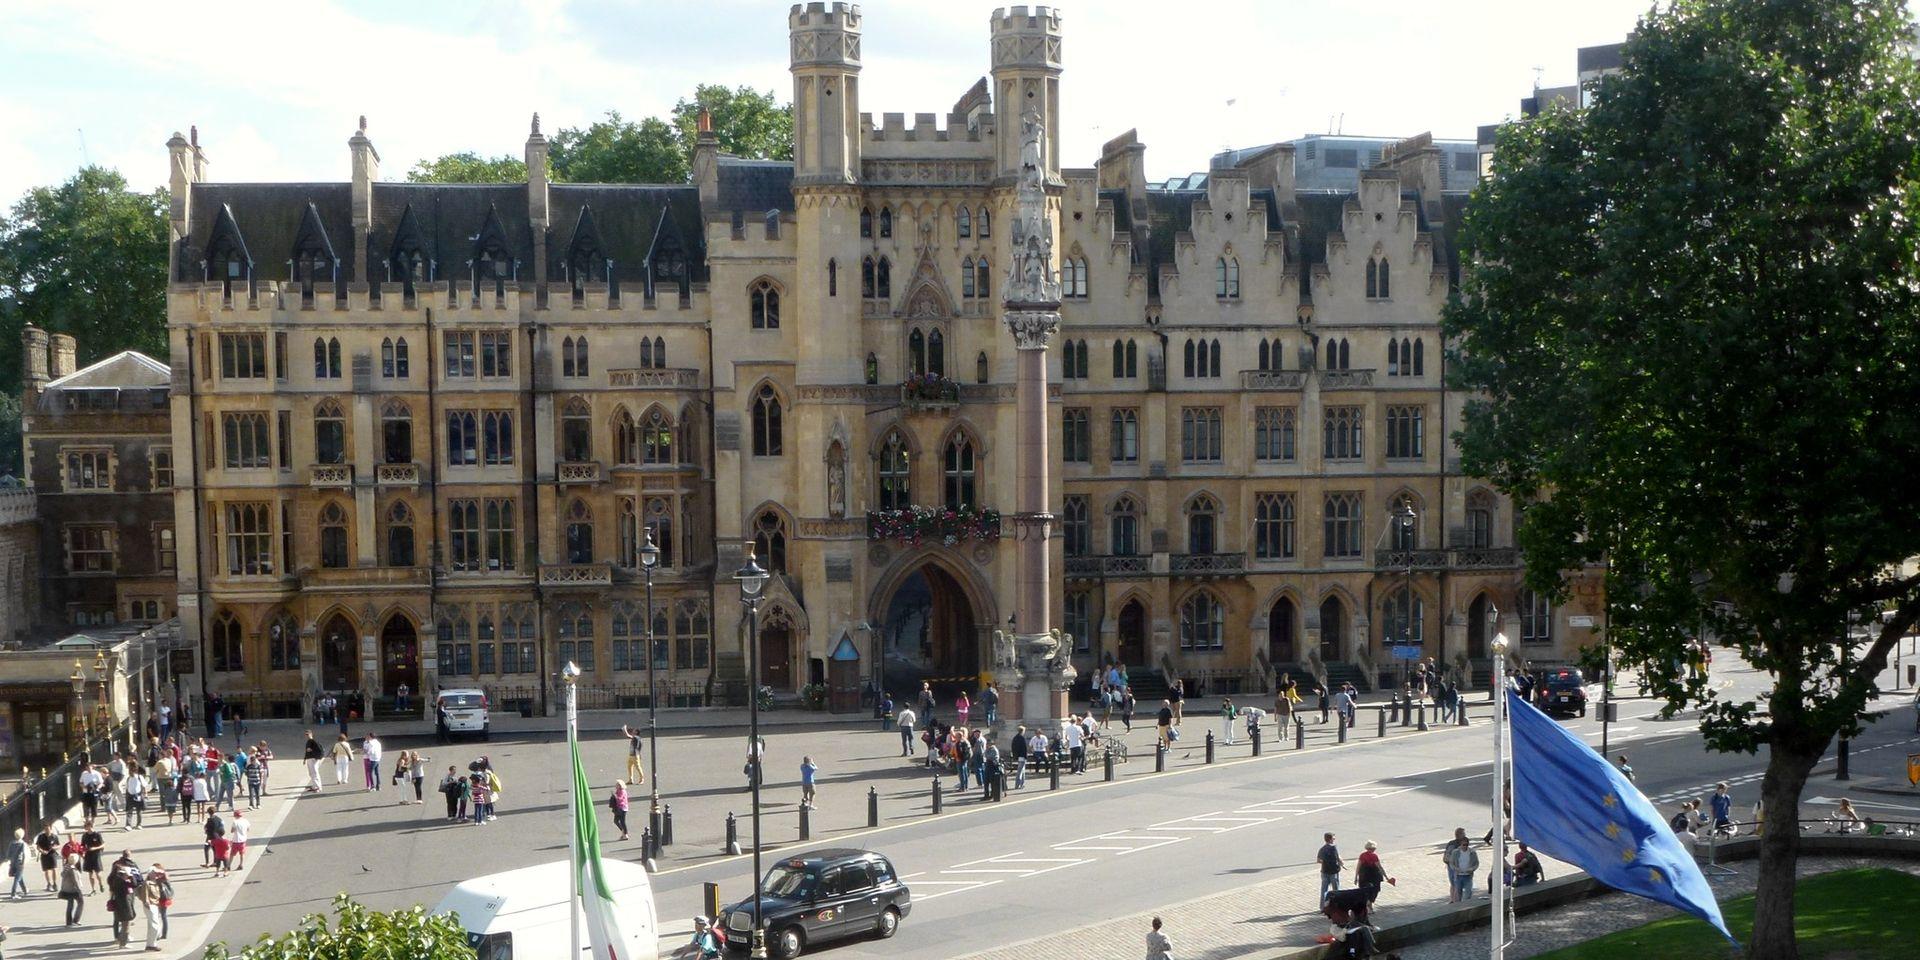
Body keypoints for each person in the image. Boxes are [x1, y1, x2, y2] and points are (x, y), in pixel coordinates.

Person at [107, 852, 139, 947]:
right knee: (126, 925)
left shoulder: (116, 880)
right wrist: (130, 876)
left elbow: (134, 884)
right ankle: (123, 943)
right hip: (124, 905)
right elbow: (134, 884)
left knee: (121, 923)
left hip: (120, 904)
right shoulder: (121, 882)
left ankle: (120, 939)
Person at [1446, 827, 1480, 902]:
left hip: (1468, 874)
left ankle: (1457, 901)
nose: (1465, 846)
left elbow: (1476, 863)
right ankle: (1454, 900)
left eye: (1466, 844)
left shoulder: (1471, 851)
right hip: (1455, 870)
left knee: (1467, 891)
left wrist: (1472, 869)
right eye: (1463, 833)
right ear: (1458, 835)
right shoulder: (1453, 845)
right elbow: (1448, 857)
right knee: (1454, 885)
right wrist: (1455, 866)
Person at [146, 861, 173, 943]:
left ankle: (158, 934)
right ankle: (164, 933)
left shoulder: (156, 879)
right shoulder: (164, 877)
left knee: (157, 917)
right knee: (163, 916)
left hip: (159, 899)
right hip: (166, 899)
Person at [57, 853, 84, 926]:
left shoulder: (66, 867)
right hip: (74, 890)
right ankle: (76, 919)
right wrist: (79, 890)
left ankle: (68, 922)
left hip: (66, 889)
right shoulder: (73, 870)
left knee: (70, 905)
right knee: (81, 903)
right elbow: (76, 881)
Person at [123, 764, 151, 831]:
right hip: (130, 795)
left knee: (139, 811)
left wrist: (145, 794)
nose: (130, 772)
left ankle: (139, 824)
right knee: (129, 811)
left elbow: (144, 785)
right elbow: (127, 787)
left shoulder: (139, 777)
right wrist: (126, 795)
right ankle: (128, 825)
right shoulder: (128, 778)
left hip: (138, 795)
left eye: (132, 770)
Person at [1317, 832, 1343, 904]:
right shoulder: (1333, 847)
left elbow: (1318, 860)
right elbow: (1337, 858)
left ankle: (1322, 907)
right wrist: (1341, 862)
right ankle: (1337, 905)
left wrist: (1325, 862)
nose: (1334, 839)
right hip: (1333, 872)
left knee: (1324, 890)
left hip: (1324, 871)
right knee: (1336, 890)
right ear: (1330, 839)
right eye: (1333, 838)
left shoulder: (1322, 849)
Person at [80, 819, 105, 892]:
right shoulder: (84, 835)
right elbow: (82, 845)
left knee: (98, 873)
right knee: (90, 874)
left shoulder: (97, 834)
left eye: (86, 826)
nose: (85, 827)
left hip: (96, 855)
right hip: (88, 855)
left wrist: (95, 848)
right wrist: (82, 851)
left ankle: (101, 884)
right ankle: (93, 889)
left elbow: (103, 844)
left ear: (90, 826)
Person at [34, 823, 59, 892]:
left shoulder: (54, 836)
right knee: (47, 870)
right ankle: (49, 884)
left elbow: (58, 845)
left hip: (52, 854)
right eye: (45, 829)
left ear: (51, 829)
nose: (46, 830)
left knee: (54, 869)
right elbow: (38, 846)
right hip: (44, 855)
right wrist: (42, 851)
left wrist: (55, 847)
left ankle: (55, 883)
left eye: (48, 829)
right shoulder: (41, 837)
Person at [5, 828, 25, 899]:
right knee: (17, 878)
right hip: (19, 862)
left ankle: (24, 889)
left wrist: (9, 860)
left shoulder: (12, 843)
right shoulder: (22, 843)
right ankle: (13, 893)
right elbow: (23, 854)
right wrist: (23, 862)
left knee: (20, 876)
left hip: (13, 862)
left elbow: (8, 853)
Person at [1010, 725, 1030, 790]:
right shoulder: (1022, 738)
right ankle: (1018, 784)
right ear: (1023, 731)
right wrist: (1026, 756)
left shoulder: (1015, 738)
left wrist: (1015, 756)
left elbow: (1013, 747)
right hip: (1022, 756)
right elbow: (1024, 748)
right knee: (1020, 771)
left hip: (1017, 756)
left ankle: (1022, 784)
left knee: (1022, 771)